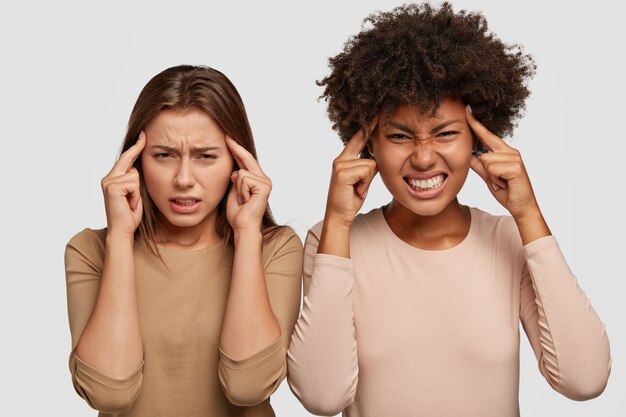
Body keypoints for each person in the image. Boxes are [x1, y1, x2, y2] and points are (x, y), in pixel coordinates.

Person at [287, 3, 611, 416]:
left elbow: (585, 380)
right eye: (401, 135)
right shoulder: (334, 241)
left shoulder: (507, 239)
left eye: (445, 133)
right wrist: (337, 221)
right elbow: (322, 396)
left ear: (479, 138)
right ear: (368, 143)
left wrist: (528, 215)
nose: (423, 158)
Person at [65, 65, 302, 417]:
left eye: (206, 156)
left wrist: (248, 233)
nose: (184, 179)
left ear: (238, 162)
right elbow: (108, 393)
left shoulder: (275, 248)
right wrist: (120, 237)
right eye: (163, 155)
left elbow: (248, 386)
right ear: (136, 162)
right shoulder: (90, 251)